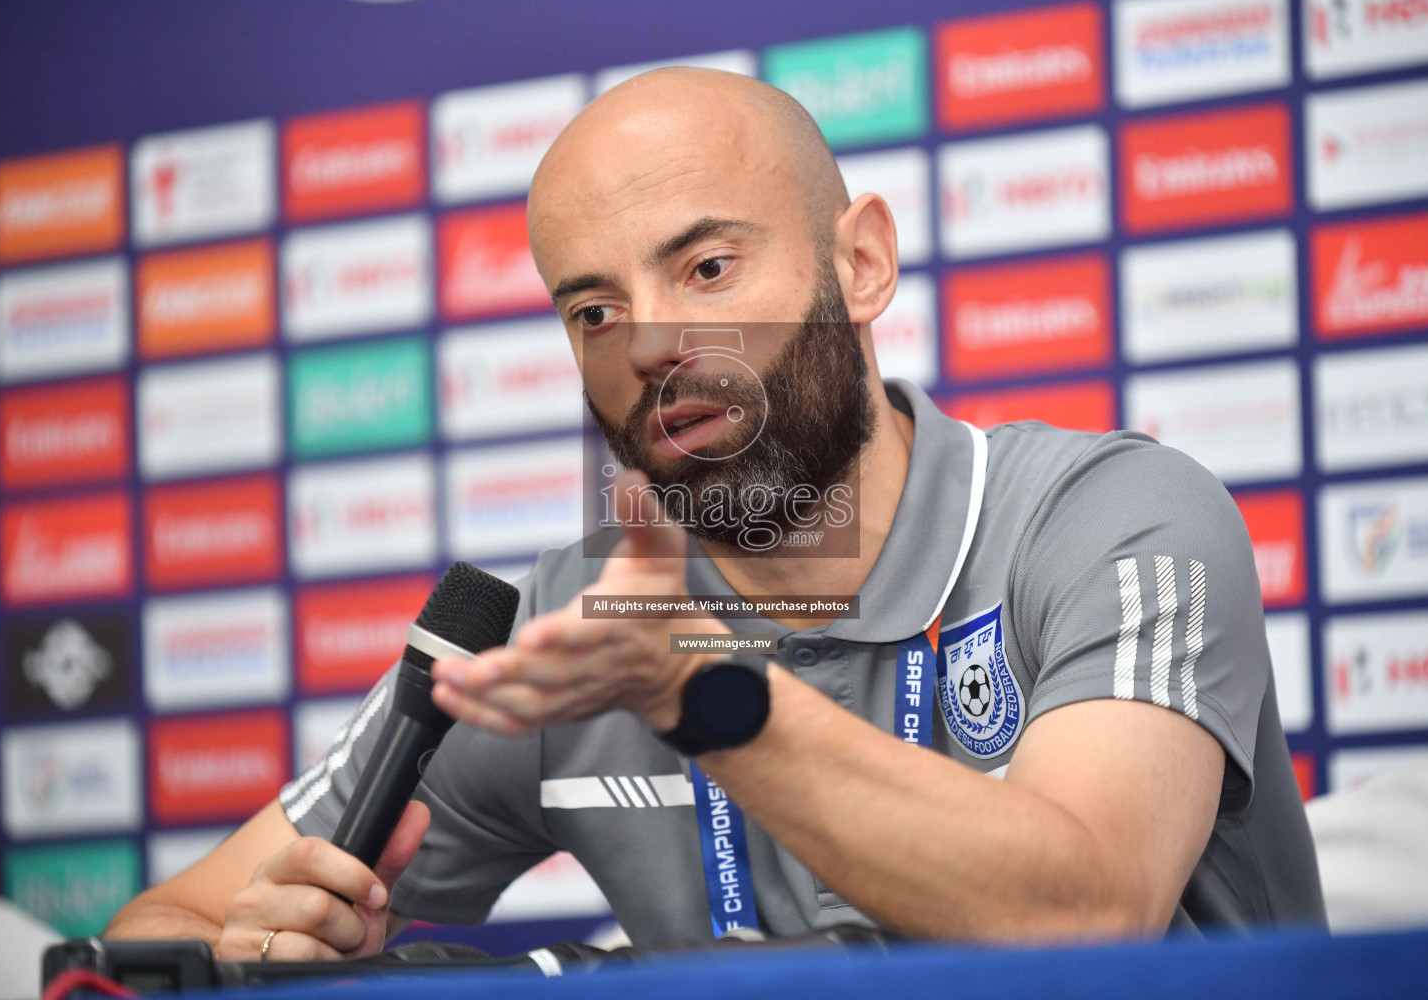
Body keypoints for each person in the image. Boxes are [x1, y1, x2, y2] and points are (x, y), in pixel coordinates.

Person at [105, 68, 1324, 960]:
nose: (648, 344)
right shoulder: (560, 631)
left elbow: (1088, 911)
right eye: (591, 310)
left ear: (860, 265)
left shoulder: (1114, 519)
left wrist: (697, 692)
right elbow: (157, 929)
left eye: (705, 269)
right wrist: (264, 950)